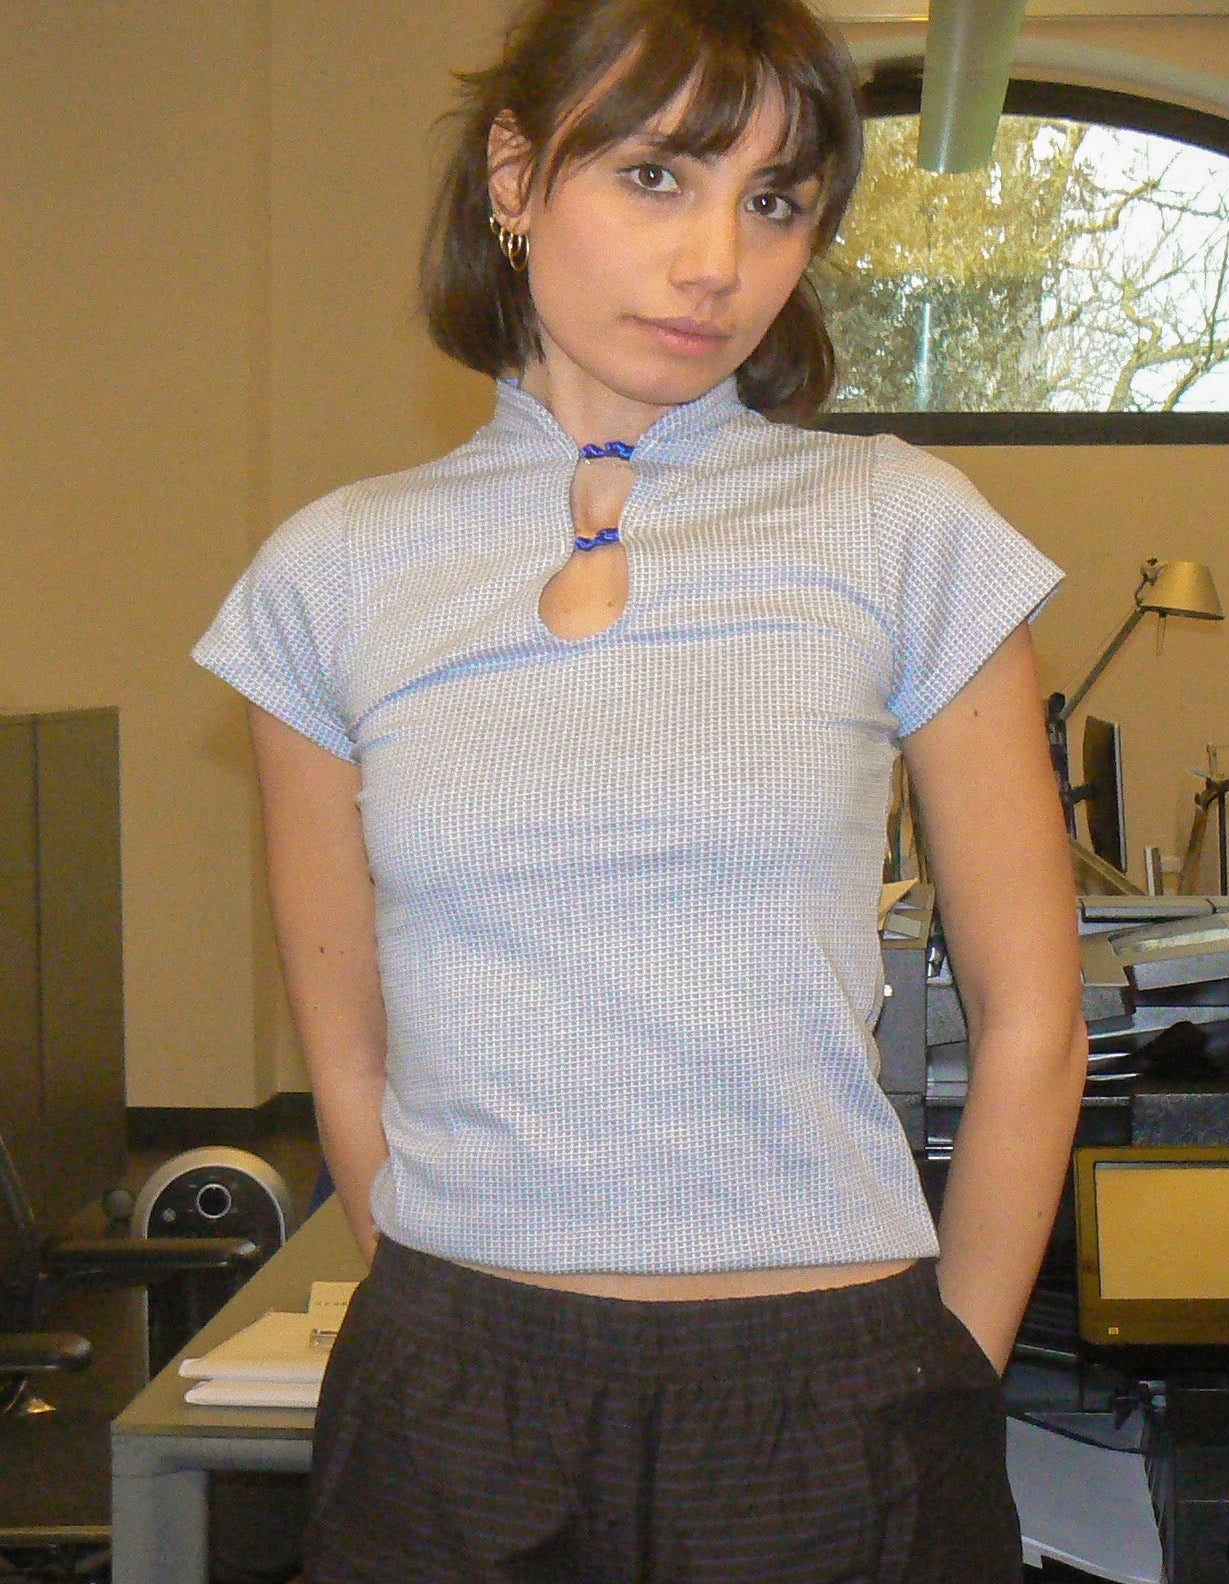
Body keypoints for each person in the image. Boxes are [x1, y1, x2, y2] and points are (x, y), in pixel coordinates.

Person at [193, 0, 1087, 1578]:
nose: (717, 262)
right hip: (455, 1400)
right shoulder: (326, 577)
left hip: (836, 1396)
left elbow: (1035, 1023)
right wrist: (461, 1324)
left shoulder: (903, 528)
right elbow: (347, 1048)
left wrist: (951, 1367)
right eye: (658, 176)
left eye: (775, 201)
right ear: (516, 175)